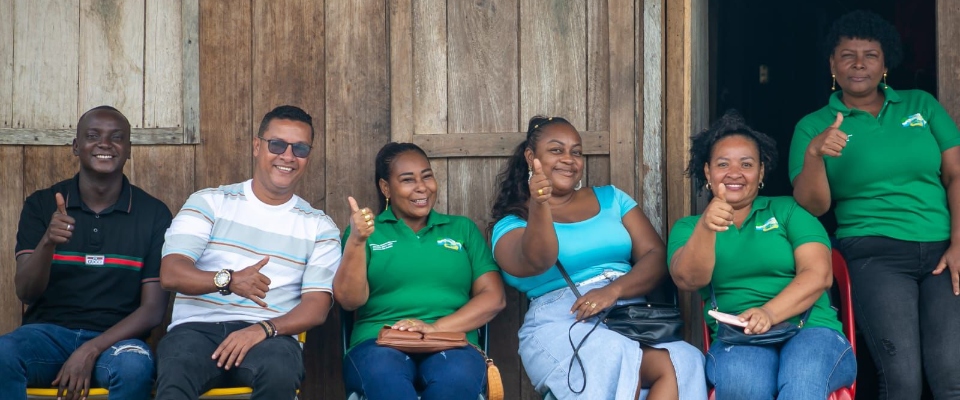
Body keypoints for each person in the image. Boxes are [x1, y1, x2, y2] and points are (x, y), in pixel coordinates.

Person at [789, 10, 960, 399]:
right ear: (832, 63)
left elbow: (956, 174)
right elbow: (812, 206)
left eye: (870, 54)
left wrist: (958, 242)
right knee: (902, 381)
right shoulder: (813, 125)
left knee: (952, 378)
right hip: (874, 254)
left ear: (885, 63)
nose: (859, 64)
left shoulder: (921, 105)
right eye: (847, 55)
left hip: (942, 252)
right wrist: (815, 155)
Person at [489, 116, 706, 400]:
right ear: (532, 157)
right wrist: (540, 205)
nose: (569, 159)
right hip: (562, 321)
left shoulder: (612, 199)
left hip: (627, 314)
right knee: (617, 355)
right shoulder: (512, 223)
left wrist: (613, 291)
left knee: (685, 359)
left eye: (576, 151)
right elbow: (539, 260)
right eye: (556, 150)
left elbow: (655, 256)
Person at [155, 105, 342, 399]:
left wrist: (263, 329)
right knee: (176, 372)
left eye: (300, 148)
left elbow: (317, 307)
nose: (288, 156)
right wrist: (228, 280)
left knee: (280, 371)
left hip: (271, 336)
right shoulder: (210, 202)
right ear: (257, 146)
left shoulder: (320, 227)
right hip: (196, 330)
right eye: (277, 144)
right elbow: (171, 273)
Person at [670, 110, 856, 399]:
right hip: (739, 339)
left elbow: (819, 275)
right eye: (723, 164)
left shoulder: (789, 211)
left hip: (812, 331)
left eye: (746, 164)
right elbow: (688, 280)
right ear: (708, 172)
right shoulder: (689, 228)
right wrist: (707, 227)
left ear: (761, 172)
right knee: (746, 386)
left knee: (802, 381)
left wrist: (769, 313)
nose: (734, 173)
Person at [0, 106, 172, 400]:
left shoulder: (153, 213)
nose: (105, 144)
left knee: (135, 367)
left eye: (117, 137)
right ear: (76, 146)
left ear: (129, 149)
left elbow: (153, 310)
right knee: (3, 354)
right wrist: (48, 242)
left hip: (118, 342)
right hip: (46, 336)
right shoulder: (42, 205)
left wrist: (90, 349)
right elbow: (26, 292)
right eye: (93, 136)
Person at [336, 142, 506, 400]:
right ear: (385, 188)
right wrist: (358, 240)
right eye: (407, 180)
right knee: (387, 381)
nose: (421, 187)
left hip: (453, 342)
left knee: (455, 381)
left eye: (427, 176)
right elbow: (349, 301)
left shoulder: (462, 229)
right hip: (378, 343)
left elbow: (494, 297)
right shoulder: (367, 233)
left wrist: (436, 328)